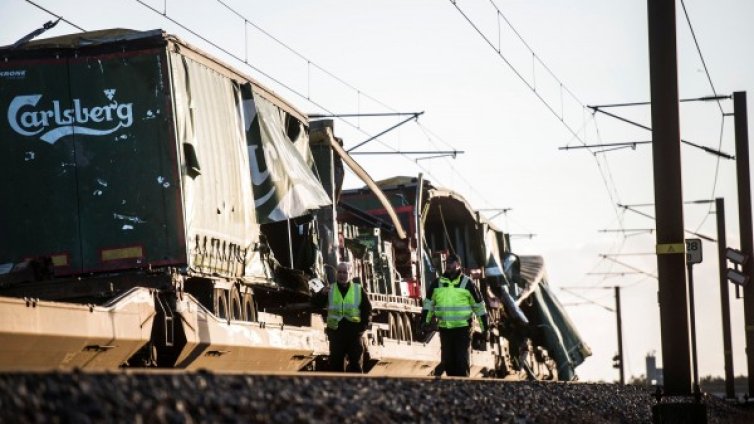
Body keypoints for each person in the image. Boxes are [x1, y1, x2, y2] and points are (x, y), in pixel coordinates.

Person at [421, 254, 488, 377]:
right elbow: (428, 305)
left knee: (461, 360)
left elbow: (479, 307)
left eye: (451, 263)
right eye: (447, 263)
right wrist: (424, 322)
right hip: (445, 329)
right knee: (448, 362)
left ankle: (463, 386)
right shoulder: (438, 283)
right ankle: (452, 386)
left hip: (463, 328)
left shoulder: (468, 283)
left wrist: (485, 329)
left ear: (458, 265)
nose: (448, 265)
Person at [314, 262, 372, 372]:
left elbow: (367, 311)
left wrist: (361, 329)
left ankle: (356, 387)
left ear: (350, 274)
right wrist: (321, 294)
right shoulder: (330, 289)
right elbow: (316, 304)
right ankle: (337, 388)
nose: (341, 275)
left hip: (354, 334)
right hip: (336, 334)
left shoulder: (358, 290)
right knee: (336, 366)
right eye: (339, 272)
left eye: (344, 272)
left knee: (356, 365)